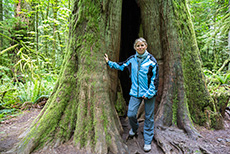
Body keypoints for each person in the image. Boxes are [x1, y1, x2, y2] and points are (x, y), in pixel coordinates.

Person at [104, 37, 159, 152]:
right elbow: (121, 66)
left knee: (148, 117)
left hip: (149, 94)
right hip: (135, 92)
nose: (140, 47)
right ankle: (134, 128)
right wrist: (109, 63)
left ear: (146, 46)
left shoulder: (151, 61)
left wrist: (149, 93)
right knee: (131, 113)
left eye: (142, 45)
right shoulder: (132, 59)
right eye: (138, 46)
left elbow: (155, 79)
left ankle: (147, 141)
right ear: (135, 47)